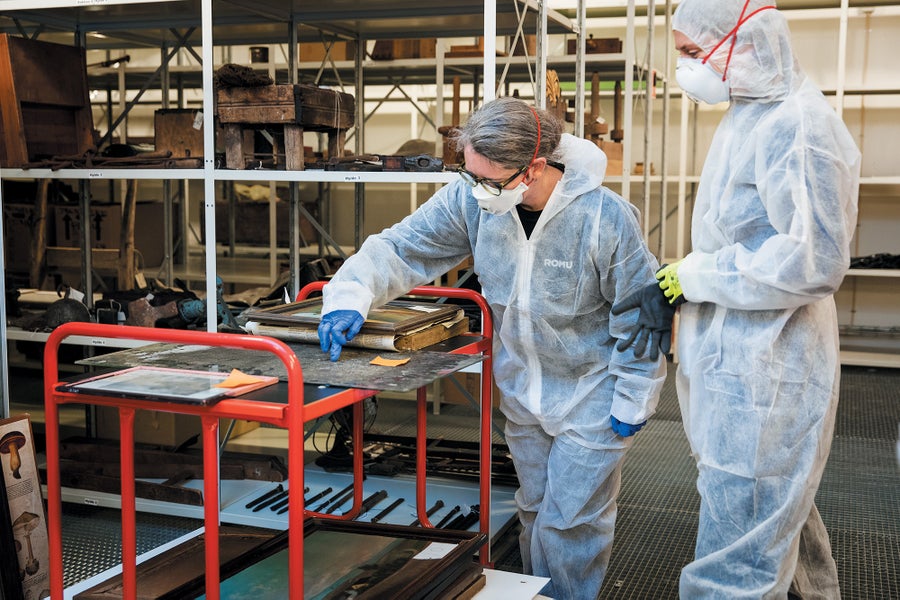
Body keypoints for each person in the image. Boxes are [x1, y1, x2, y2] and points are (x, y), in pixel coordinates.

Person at [317, 96, 666, 599]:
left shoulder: (603, 218)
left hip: (593, 392)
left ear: (534, 168)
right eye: (470, 174)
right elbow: (403, 246)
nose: (477, 190)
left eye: (490, 181)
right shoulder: (472, 198)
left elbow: (638, 312)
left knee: (570, 522)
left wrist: (635, 393)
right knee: (533, 509)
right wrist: (351, 294)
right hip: (521, 388)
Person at [614, 1, 861, 597]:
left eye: (692, 53)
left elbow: (812, 261)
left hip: (768, 368)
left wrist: (690, 277)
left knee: (738, 560)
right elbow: (743, 235)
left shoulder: (798, 127)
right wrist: (683, 277)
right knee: (776, 514)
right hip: (739, 357)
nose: (685, 68)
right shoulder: (751, 114)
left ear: (742, 42)